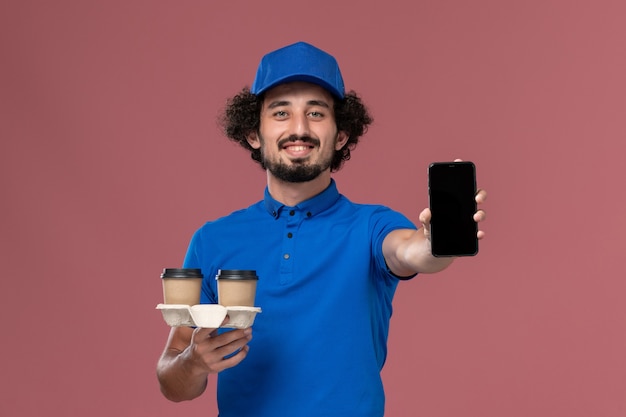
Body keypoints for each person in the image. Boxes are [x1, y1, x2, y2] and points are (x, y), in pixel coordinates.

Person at [156, 41, 487, 417]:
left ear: (341, 134)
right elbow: (171, 380)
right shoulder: (212, 240)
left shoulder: (372, 226)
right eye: (281, 113)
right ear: (254, 133)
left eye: (316, 113)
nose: (299, 129)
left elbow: (411, 252)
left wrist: (437, 240)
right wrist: (194, 363)